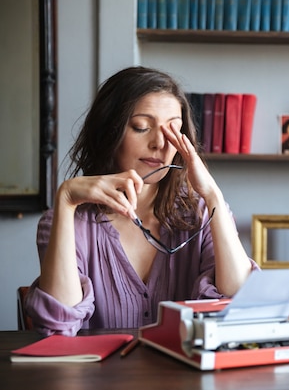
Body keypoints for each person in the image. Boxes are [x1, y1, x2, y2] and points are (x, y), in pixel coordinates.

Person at [25, 66, 257, 336]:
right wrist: (65, 199)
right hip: (100, 378)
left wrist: (213, 194)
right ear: (108, 131)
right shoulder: (66, 221)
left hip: (186, 377)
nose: (160, 142)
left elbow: (240, 306)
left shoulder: (203, 212)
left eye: (173, 130)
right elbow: (58, 327)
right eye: (141, 127)